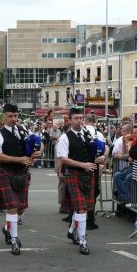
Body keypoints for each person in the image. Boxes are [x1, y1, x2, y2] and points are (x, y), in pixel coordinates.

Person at [0, 104, 42, 255]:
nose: (13, 119)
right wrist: (18, 159)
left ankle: (7, 228)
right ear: (3, 117)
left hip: (22, 173)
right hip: (6, 172)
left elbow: (35, 147)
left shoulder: (23, 131)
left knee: (21, 208)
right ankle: (14, 239)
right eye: (10, 116)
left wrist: (37, 152)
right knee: (12, 206)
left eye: (15, 116)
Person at [57, 107, 97, 255]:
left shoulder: (88, 134)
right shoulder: (65, 137)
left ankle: (72, 230)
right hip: (73, 174)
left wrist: (101, 157)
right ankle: (82, 239)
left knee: (84, 208)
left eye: (81, 118)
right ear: (70, 120)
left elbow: (101, 149)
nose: (79, 121)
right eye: (76, 118)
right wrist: (83, 165)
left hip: (88, 175)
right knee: (81, 208)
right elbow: (63, 158)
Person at [84, 114, 107, 230]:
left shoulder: (80, 131)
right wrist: (103, 157)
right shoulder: (99, 134)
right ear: (94, 122)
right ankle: (90, 218)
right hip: (94, 165)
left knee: (82, 192)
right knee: (93, 192)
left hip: (80, 164)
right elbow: (106, 148)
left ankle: (78, 218)